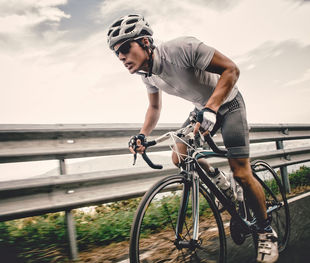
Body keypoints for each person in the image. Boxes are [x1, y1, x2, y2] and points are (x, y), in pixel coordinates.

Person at [107, 14, 278, 263]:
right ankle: (224, 187)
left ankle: (265, 231)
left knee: (241, 172)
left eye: (124, 48)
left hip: (229, 105)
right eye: (116, 53)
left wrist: (212, 108)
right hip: (201, 110)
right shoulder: (147, 75)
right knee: (180, 157)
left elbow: (231, 70)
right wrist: (143, 135)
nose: (121, 57)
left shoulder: (182, 48)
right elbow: (154, 108)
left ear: (145, 42)